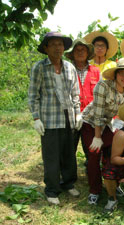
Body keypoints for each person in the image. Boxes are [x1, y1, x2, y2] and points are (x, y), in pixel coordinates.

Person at [81, 57, 124, 205]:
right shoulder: (103, 86)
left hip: (110, 124)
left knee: (112, 153)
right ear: (116, 74)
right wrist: (97, 137)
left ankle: (114, 184)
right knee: (94, 154)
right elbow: (97, 114)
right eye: (122, 73)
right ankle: (95, 190)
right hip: (92, 123)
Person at [28, 31, 81, 205]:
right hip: (49, 117)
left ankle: (68, 183)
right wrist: (36, 118)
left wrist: (77, 112)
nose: (58, 48)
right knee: (51, 155)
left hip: (68, 117)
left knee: (68, 153)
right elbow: (33, 94)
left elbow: (75, 94)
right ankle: (51, 190)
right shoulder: (39, 67)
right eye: (54, 44)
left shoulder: (69, 67)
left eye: (61, 44)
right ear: (46, 48)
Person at [65, 38, 100, 166]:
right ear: (72, 53)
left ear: (87, 53)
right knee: (69, 147)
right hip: (71, 114)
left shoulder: (95, 71)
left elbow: (100, 94)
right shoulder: (66, 69)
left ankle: (91, 171)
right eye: (77, 50)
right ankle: (68, 176)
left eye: (83, 50)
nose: (80, 52)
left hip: (90, 116)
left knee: (91, 148)